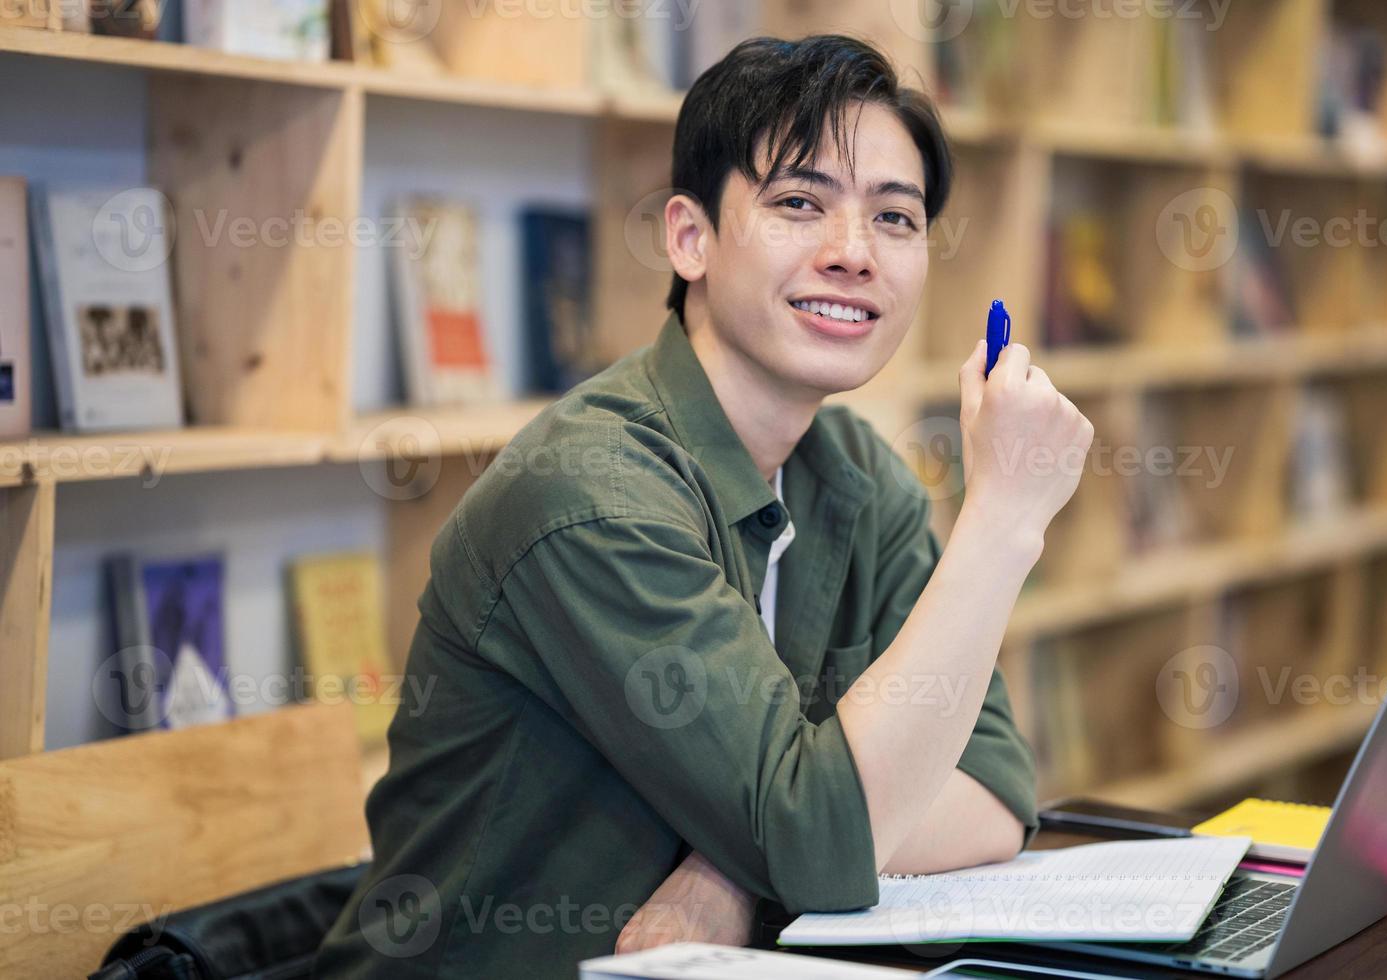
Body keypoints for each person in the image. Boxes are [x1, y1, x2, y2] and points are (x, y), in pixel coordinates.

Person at [315, 33, 1093, 980]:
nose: (854, 255)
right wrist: (1004, 519)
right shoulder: (591, 491)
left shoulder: (855, 474)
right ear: (689, 239)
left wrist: (735, 872)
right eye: (800, 203)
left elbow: (996, 793)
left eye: (896, 218)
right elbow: (824, 831)